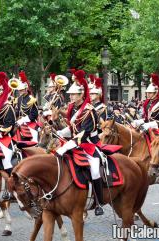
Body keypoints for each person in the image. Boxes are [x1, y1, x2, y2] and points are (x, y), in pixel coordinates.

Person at [56, 70, 104, 216]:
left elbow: (83, 135)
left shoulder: (89, 111)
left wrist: (65, 147)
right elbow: (72, 129)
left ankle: (99, 202)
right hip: (76, 143)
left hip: (90, 144)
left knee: (95, 169)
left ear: (81, 95)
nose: (70, 96)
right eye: (70, 94)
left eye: (73, 94)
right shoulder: (73, 108)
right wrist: (59, 133)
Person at [16, 71, 39, 142]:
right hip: (20, 121)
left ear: (26, 89)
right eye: (19, 90)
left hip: (30, 122)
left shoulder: (32, 99)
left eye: (22, 90)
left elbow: (34, 115)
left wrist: (23, 120)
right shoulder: (19, 99)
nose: (20, 92)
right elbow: (18, 111)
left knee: (34, 139)